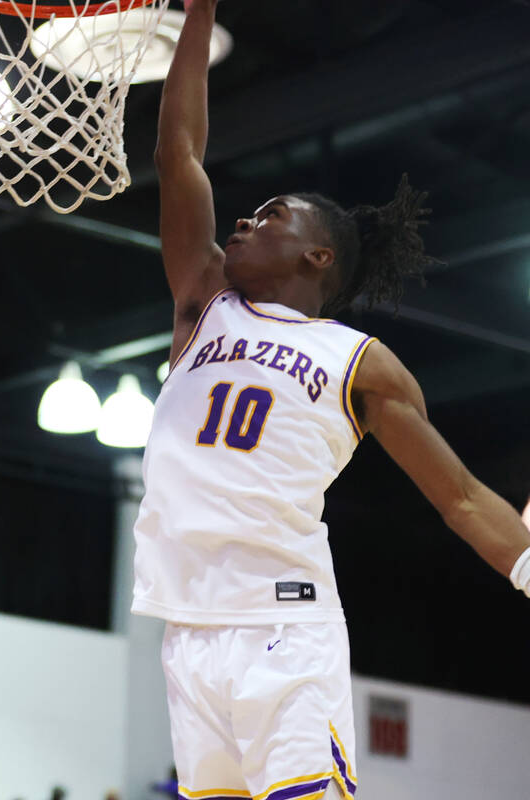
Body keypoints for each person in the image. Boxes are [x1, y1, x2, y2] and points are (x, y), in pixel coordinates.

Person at [133, 3, 530, 800]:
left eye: (270, 214)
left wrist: (525, 563)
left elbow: (456, 496)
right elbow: (179, 153)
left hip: (283, 623)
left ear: (318, 254)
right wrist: (199, 14)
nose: (243, 219)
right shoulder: (203, 301)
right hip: (187, 626)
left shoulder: (361, 363)